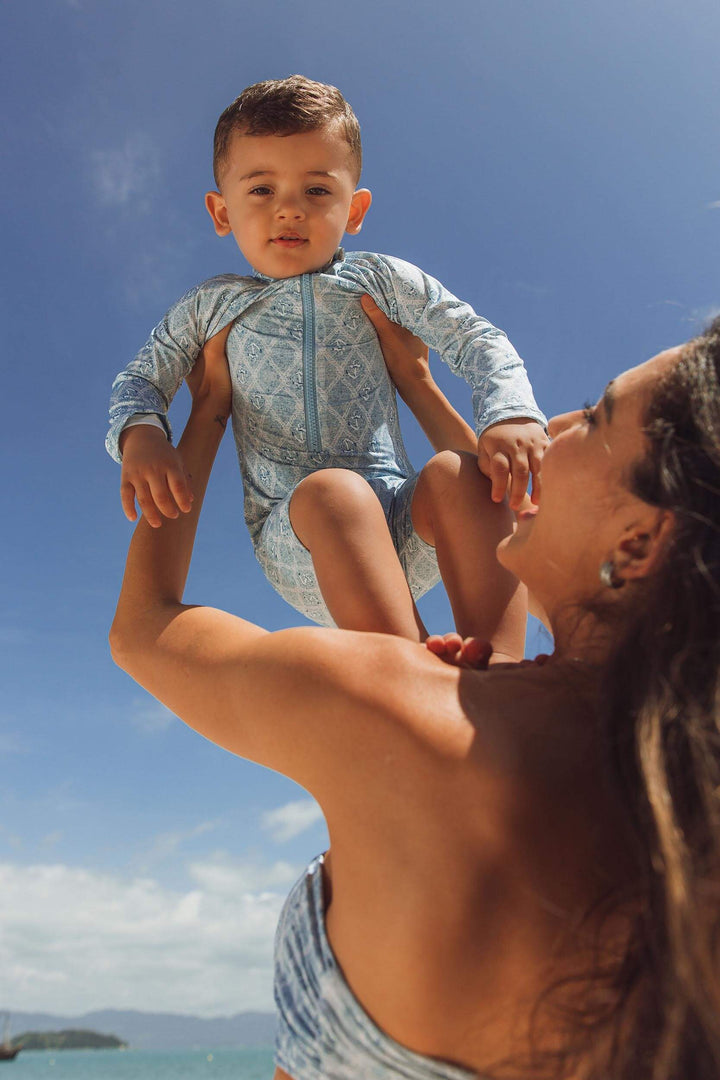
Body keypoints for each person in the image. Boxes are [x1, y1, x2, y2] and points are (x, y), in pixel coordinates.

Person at [110, 311, 720, 1079]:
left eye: (595, 418)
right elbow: (475, 486)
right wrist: (420, 382)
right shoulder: (689, 824)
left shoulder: (395, 708)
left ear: (638, 542)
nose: (554, 423)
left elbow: (143, 628)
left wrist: (207, 414)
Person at [106, 75, 547, 640]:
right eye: (261, 190)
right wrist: (141, 435)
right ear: (221, 213)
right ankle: (411, 678)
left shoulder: (381, 280)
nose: (289, 210)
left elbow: (474, 336)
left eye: (316, 190)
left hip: (403, 518)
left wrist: (509, 412)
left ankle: (501, 673)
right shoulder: (211, 307)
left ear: (354, 209)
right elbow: (142, 378)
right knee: (335, 492)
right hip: (302, 535)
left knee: (458, 474)